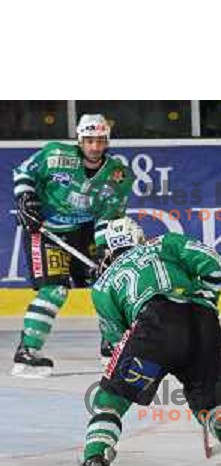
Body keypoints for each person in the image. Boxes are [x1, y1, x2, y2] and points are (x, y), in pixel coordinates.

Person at [55, 217, 221, 466]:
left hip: (153, 326)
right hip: (204, 322)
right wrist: (207, 303)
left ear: (107, 251)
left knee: (110, 400)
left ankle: (94, 462)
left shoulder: (103, 286)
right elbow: (214, 263)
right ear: (139, 238)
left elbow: (117, 340)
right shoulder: (164, 243)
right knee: (211, 403)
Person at [11, 114, 133, 377]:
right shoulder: (54, 155)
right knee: (54, 291)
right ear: (79, 140)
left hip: (85, 230)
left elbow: (109, 217)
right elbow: (23, 172)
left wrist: (104, 251)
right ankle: (27, 352)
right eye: (89, 140)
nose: (94, 147)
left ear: (107, 141)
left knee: (107, 283)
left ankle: (111, 348)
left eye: (100, 140)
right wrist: (25, 196)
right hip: (47, 230)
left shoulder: (118, 175)